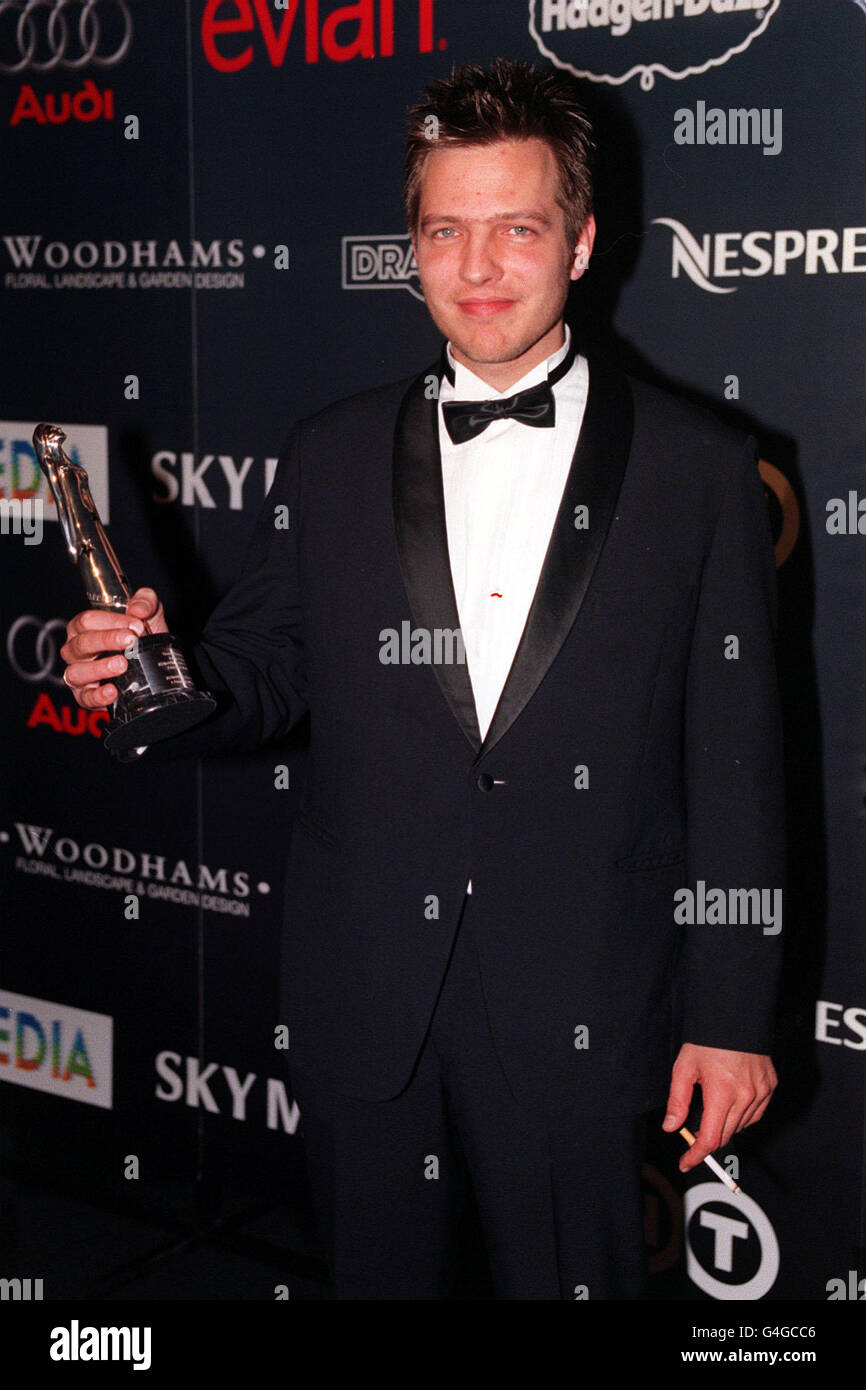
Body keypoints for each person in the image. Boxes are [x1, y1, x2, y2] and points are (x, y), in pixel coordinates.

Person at [60, 58, 785, 1300]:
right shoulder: (330, 453)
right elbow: (266, 671)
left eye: (517, 228)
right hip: (364, 999)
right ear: (411, 246)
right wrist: (143, 673)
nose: (479, 267)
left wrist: (732, 1012)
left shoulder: (701, 471)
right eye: (445, 230)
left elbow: (736, 765)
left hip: (584, 1002)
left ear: (583, 240)